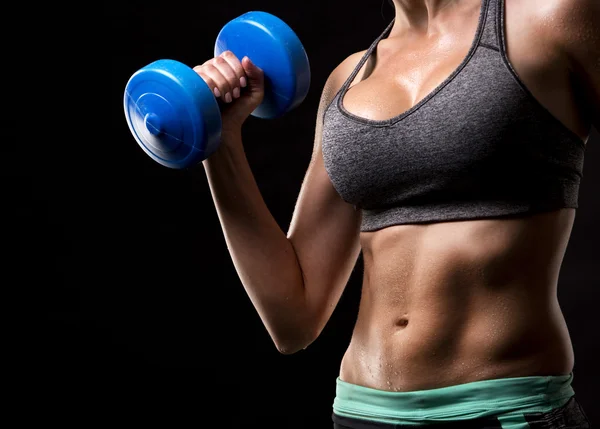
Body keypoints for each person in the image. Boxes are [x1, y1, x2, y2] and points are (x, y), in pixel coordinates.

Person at [193, 0, 597, 427]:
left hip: (503, 407)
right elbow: (294, 319)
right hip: (362, 413)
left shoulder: (550, 19)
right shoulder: (348, 80)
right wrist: (217, 139)